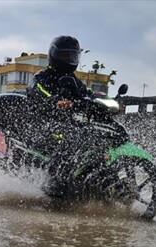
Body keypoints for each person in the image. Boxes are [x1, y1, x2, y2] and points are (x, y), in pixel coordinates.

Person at [26, 35, 94, 195]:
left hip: (69, 125)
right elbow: (39, 92)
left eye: (73, 55)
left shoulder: (75, 82)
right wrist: (55, 101)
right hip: (41, 125)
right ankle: (55, 184)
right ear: (54, 55)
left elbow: (87, 95)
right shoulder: (41, 77)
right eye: (65, 55)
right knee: (67, 140)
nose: (69, 59)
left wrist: (100, 101)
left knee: (90, 137)